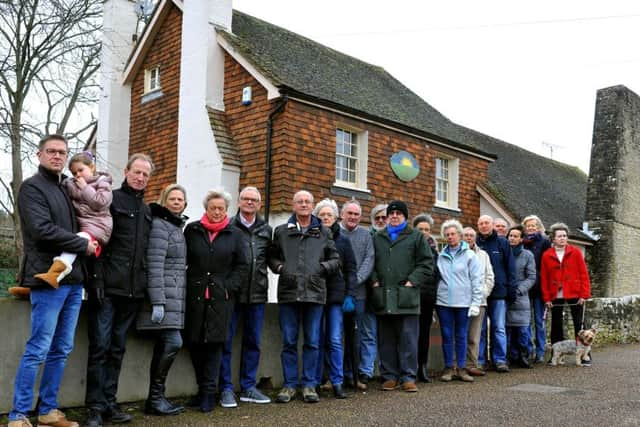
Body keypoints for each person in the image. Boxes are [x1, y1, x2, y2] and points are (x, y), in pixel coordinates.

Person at [8, 134, 97, 427]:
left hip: (73, 281)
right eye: (51, 151)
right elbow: (41, 230)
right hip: (47, 280)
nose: (57, 156)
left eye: (62, 152)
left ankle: (47, 411)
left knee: (62, 349)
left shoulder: (65, 188)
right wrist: (81, 244)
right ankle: (18, 415)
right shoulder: (32, 188)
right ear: (39, 154)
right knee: (39, 348)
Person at [85, 153, 154, 427]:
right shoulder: (110, 199)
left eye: (145, 174)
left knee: (117, 350)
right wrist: (97, 281)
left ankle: (109, 404)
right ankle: (94, 408)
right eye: (136, 172)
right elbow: (98, 241)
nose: (140, 177)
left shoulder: (147, 210)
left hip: (133, 292)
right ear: (126, 171)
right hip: (108, 289)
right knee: (99, 348)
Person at [268, 190, 340, 404]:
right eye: (299, 201)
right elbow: (272, 256)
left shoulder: (324, 232)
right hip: (289, 293)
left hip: (315, 293)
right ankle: (290, 385)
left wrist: (321, 268)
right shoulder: (281, 231)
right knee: (289, 341)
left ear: (312, 205)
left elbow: (336, 259)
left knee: (312, 342)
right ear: (293, 205)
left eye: (307, 201)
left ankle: (309, 385)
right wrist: (280, 267)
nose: (303, 204)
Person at [183, 189, 248, 412]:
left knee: (214, 345)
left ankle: (209, 394)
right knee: (194, 343)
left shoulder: (235, 234)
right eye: (213, 208)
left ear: (227, 210)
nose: (217, 212)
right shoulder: (192, 230)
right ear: (206, 209)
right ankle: (201, 389)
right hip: (195, 297)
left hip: (221, 299)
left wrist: (228, 287)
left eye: (221, 208)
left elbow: (242, 265)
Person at [136, 184, 188, 416]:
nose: (177, 202)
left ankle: (157, 398)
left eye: (180, 199)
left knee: (170, 342)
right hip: (163, 298)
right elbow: (154, 265)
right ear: (164, 200)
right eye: (173, 198)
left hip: (174, 297)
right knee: (173, 342)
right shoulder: (160, 226)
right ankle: (155, 399)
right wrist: (157, 301)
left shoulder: (175, 227)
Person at [370, 201, 433, 393]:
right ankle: (389, 376)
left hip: (407, 296)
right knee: (386, 339)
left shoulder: (416, 237)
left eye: (398, 213)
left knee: (408, 339)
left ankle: (408, 377)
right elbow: (369, 261)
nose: (394, 216)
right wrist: (373, 281)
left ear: (405, 217)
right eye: (392, 213)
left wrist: (411, 281)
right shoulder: (377, 237)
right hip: (384, 295)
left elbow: (426, 264)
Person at [219, 187, 272, 407]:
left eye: (254, 200)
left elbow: (272, 257)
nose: (250, 202)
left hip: (257, 293)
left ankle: (248, 387)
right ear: (238, 202)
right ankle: (225, 388)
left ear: (259, 204)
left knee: (253, 342)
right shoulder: (228, 226)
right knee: (226, 342)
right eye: (246, 199)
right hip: (232, 294)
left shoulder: (267, 230)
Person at [35, 151, 112, 288]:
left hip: (98, 227)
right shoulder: (72, 184)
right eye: (74, 173)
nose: (78, 175)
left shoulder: (103, 183)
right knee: (70, 241)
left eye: (81, 170)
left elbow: (100, 202)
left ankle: (55, 274)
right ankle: (36, 283)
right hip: (83, 225)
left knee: (79, 239)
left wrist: (85, 188)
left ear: (92, 167)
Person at [313, 199, 357, 399]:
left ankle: (337, 381)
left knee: (335, 339)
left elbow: (350, 270)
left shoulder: (343, 240)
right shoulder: (312, 236)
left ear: (335, 217)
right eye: (322, 215)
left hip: (336, 296)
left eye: (329, 215)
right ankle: (315, 380)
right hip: (314, 294)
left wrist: (350, 294)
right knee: (316, 340)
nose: (325, 218)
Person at [436, 220, 483, 383]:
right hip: (443, 303)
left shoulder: (470, 255)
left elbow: (477, 280)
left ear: (460, 235)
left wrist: (476, 302)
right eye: (447, 235)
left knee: (461, 335)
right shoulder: (441, 255)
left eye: (452, 234)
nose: (450, 237)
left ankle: (462, 368)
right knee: (447, 335)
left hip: (463, 303)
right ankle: (449, 367)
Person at [540, 222, 591, 364]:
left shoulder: (575, 252)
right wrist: (547, 298)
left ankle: (585, 355)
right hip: (555, 293)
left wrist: (583, 294)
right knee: (556, 324)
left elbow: (583, 274)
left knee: (579, 323)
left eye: (564, 236)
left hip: (575, 292)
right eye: (559, 236)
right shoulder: (546, 255)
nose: (563, 238)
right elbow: (544, 278)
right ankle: (556, 355)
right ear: (553, 238)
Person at [339, 199, 375, 390]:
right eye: (349, 213)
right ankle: (338, 375)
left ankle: (354, 374)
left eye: (356, 214)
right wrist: (343, 286)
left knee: (356, 336)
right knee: (336, 337)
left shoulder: (366, 235)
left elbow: (369, 260)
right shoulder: (334, 234)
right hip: (337, 295)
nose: (353, 217)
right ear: (342, 214)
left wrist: (353, 282)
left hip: (359, 295)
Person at [476, 215, 516, 373]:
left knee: (499, 328)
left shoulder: (503, 243)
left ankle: (500, 359)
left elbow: (510, 268)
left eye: (487, 223)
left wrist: (510, 291)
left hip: (499, 293)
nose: (484, 226)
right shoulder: (475, 243)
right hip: (480, 294)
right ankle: (479, 360)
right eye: (481, 223)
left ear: (492, 225)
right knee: (480, 329)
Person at [462, 227, 494, 377]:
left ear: (475, 238)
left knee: (474, 336)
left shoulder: (483, 255)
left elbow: (490, 277)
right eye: (466, 235)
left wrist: (483, 293)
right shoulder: (456, 253)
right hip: (459, 301)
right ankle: (458, 365)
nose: (468, 238)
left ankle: (472, 365)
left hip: (479, 301)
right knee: (459, 334)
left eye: (471, 235)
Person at [412, 213, 440, 383]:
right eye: (420, 229)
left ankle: (422, 366)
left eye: (427, 230)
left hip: (427, 298)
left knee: (423, 334)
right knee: (409, 334)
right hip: (411, 296)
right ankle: (409, 367)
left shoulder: (434, 251)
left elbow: (436, 274)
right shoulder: (409, 248)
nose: (424, 232)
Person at [522, 215, 552, 363]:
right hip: (525, 289)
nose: (531, 228)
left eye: (533, 225)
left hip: (540, 288)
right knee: (526, 322)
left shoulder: (545, 243)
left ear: (539, 227)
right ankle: (529, 350)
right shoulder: (522, 243)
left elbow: (547, 267)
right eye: (528, 226)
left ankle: (540, 351)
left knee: (540, 322)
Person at [505, 225, 536, 369]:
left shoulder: (527, 255)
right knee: (507, 331)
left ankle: (524, 356)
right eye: (510, 235)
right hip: (505, 296)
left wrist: (519, 289)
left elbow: (531, 277)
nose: (512, 238)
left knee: (523, 330)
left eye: (515, 236)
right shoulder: (503, 252)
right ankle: (511, 357)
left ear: (521, 239)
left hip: (521, 297)